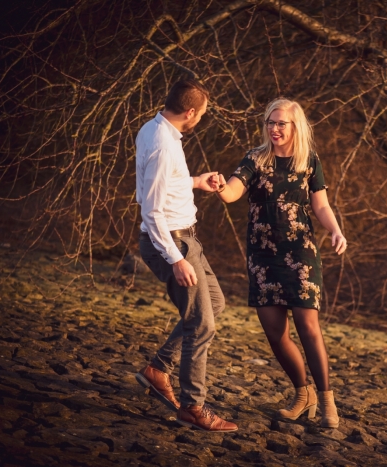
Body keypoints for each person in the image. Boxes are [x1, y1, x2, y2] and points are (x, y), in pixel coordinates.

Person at [217, 98, 347, 428]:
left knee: (308, 327)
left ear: (294, 127)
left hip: (300, 252)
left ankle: (327, 400)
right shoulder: (256, 158)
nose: (274, 129)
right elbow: (234, 191)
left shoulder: (309, 161)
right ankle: (303, 395)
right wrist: (219, 186)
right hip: (263, 256)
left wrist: (335, 230)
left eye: (281, 123)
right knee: (275, 333)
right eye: (270, 123)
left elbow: (321, 205)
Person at [133, 78, 237, 433]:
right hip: (174, 244)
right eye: (202, 114)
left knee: (215, 303)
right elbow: (151, 210)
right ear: (190, 112)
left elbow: (161, 184)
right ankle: (193, 407)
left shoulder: (154, 128)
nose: (201, 120)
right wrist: (175, 259)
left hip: (186, 239)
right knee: (201, 323)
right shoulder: (163, 145)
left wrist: (195, 182)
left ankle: (157, 368)